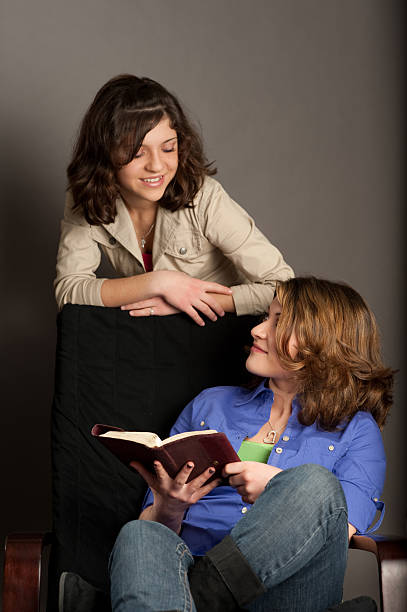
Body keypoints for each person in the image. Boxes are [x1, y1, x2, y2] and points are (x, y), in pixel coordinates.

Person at [109, 277, 394, 612]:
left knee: (315, 484)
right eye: (265, 318)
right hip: (183, 569)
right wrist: (170, 506)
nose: (257, 331)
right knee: (139, 535)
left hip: (287, 591)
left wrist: (276, 486)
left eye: (277, 322)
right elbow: (156, 535)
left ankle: (200, 600)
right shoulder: (209, 405)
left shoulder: (357, 430)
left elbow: (337, 530)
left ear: (323, 343)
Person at [54, 74, 293, 324]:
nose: (157, 166)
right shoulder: (86, 195)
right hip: (160, 339)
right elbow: (68, 291)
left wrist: (194, 298)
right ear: (104, 153)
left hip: (224, 334)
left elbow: (283, 288)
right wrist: (159, 283)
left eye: (168, 148)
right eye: (137, 153)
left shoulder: (205, 198)